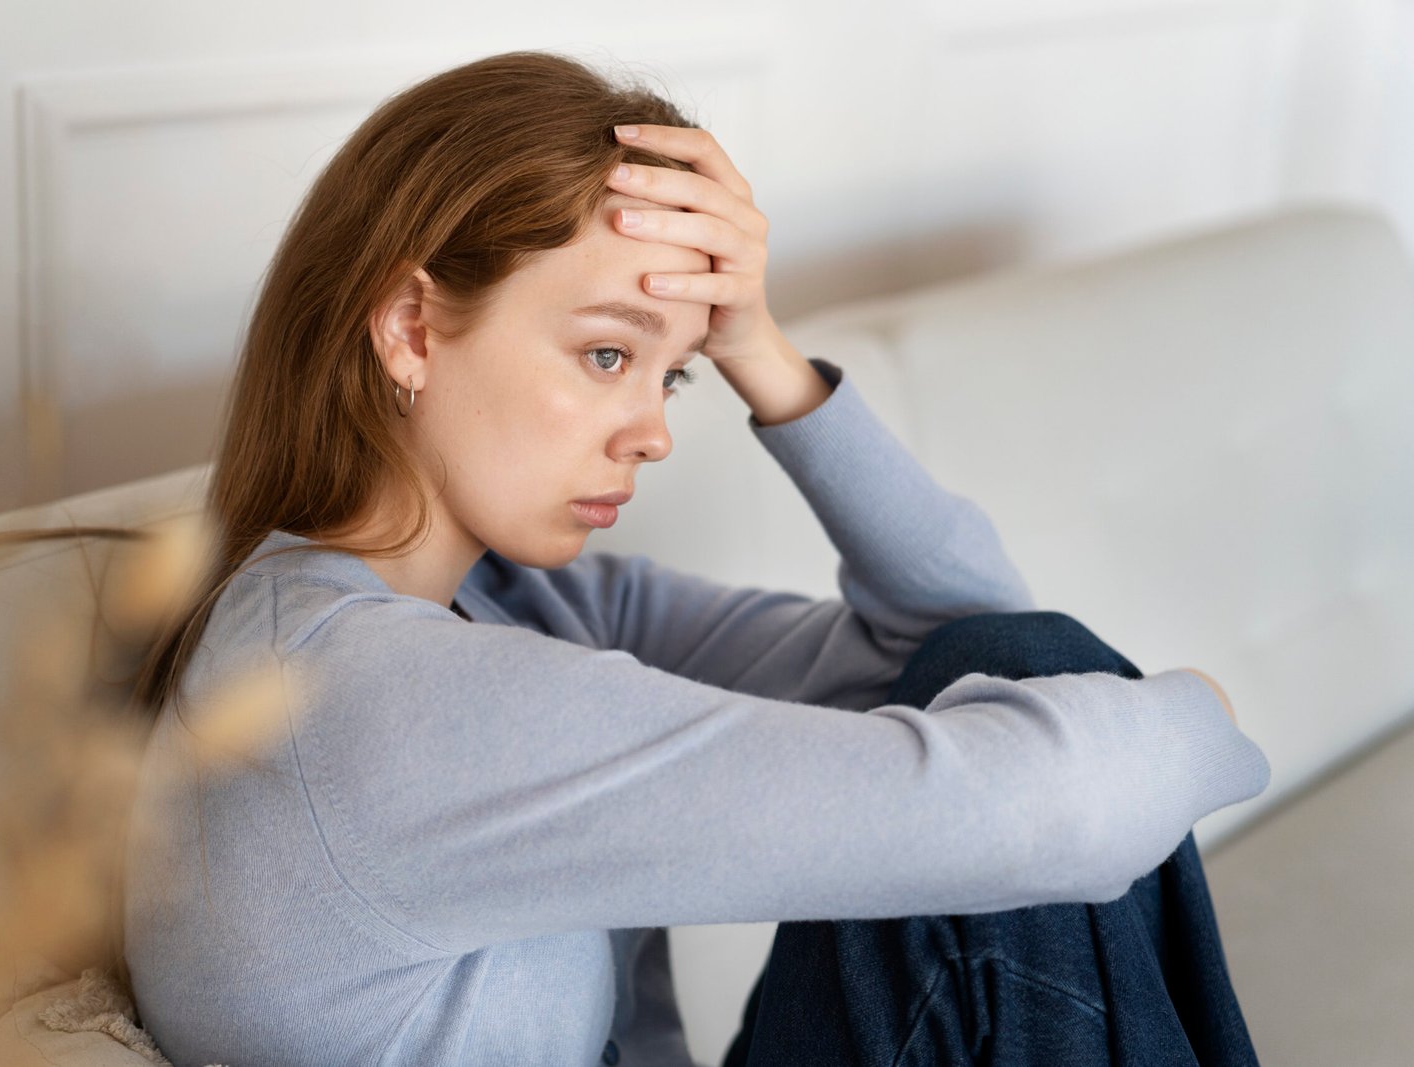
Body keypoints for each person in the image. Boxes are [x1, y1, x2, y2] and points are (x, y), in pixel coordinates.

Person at [120, 50, 1271, 1067]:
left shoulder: (528, 601)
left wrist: (757, 347)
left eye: (669, 373)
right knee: (1052, 765)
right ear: (411, 328)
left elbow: (965, 633)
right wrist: (1205, 712)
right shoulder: (358, 699)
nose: (654, 430)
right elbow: (1050, 809)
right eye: (606, 352)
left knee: (1023, 660)